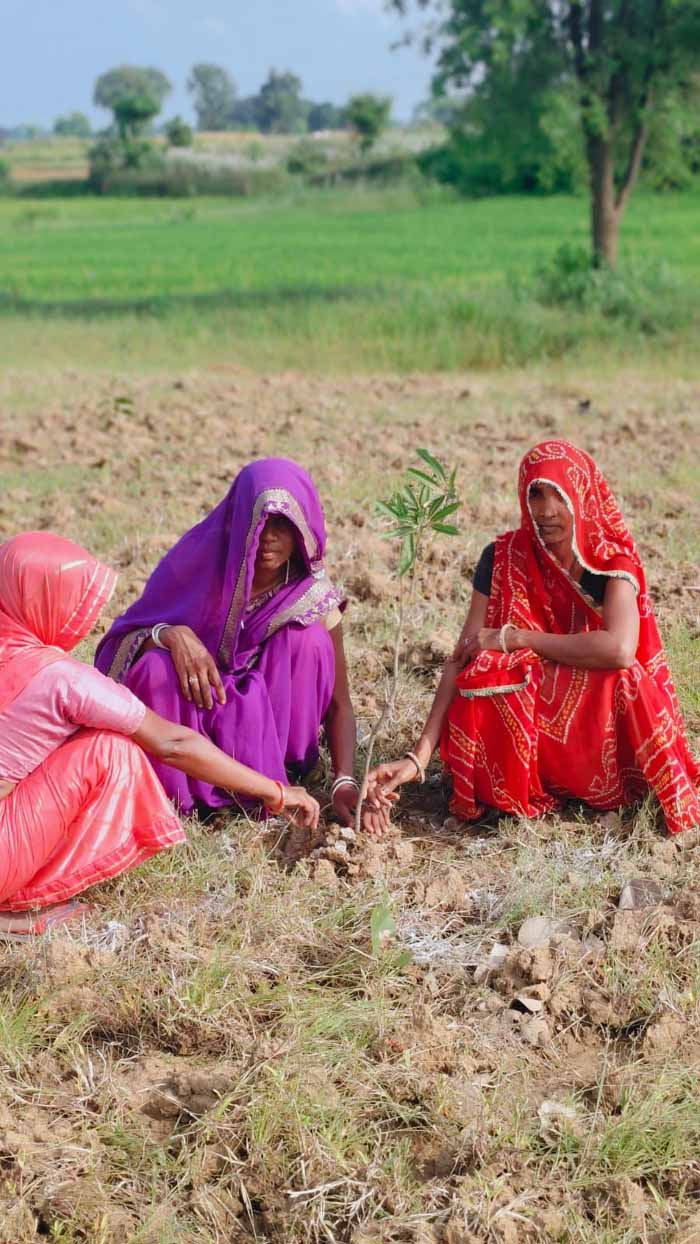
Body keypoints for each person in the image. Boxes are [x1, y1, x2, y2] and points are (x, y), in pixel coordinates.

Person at [371, 440, 700, 836]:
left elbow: (619, 649)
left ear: (581, 494)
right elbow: (462, 658)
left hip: (596, 730)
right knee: (485, 668)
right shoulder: (504, 556)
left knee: (625, 680)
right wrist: (419, 756)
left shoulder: (612, 562)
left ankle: (615, 788)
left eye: (558, 494)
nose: (545, 510)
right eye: (535, 494)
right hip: (532, 734)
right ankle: (515, 788)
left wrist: (519, 638)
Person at [0, 532, 320, 938]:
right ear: (41, 603)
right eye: (71, 605)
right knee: (111, 749)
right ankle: (14, 900)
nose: (83, 620)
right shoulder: (63, 679)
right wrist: (276, 792)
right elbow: (173, 743)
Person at [96, 458, 388, 834]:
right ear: (237, 519)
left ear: (303, 528)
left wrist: (344, 780)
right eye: (261, 520)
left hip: (272, 746)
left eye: (283, 523)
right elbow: (116, 649)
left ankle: (276, 780)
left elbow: (339, 703)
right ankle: (177, 798)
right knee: (153, 667)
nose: (269, 536)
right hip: (196, 726)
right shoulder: (197, 566)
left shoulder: (311, 597)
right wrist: (168, 634)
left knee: (307, 640)